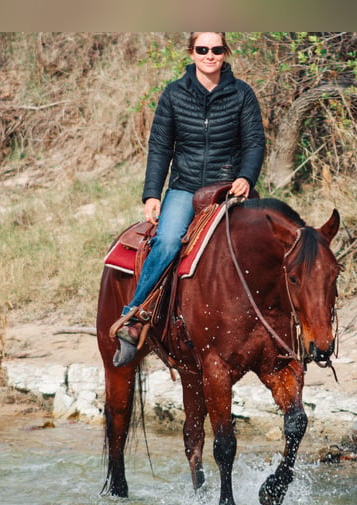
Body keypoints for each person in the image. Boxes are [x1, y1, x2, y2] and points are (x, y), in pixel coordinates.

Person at [113, 32, 266, 367]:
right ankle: (134, 318)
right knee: (167, 242)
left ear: (225, 52)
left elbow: (254, 142)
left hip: (229, 188)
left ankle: (278, 324)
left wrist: (246, 177)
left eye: (216, 49)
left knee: (265, 243)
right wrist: (153, 194)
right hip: (184, 188)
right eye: (202, 49)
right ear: (192, 52)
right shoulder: (174, 94)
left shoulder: (242, 94)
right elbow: (160, 148)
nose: (209, 55)